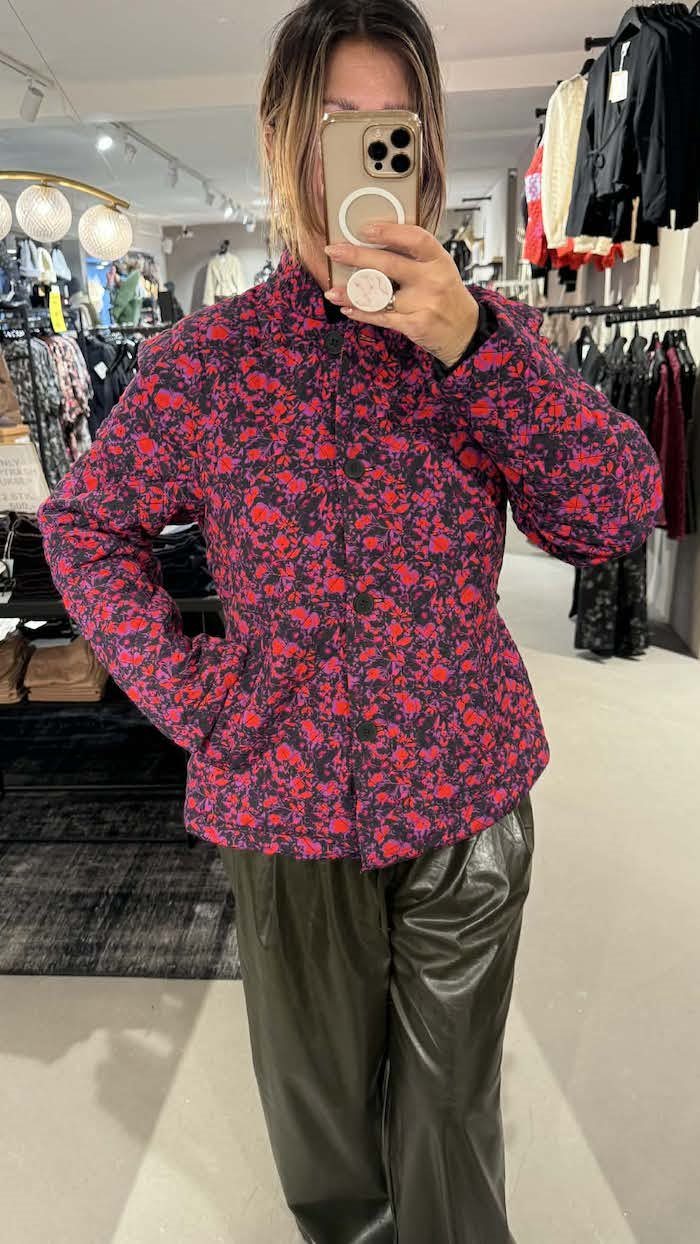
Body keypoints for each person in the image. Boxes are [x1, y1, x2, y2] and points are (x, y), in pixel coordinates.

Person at [36, 2, 664, 1241]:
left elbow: (615, 512)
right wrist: (195, 694)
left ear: (424, 143)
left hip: (464, 788)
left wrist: (475, 348)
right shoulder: (207, 363)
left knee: (450, 1133)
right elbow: (84, 527)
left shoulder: (487, 336)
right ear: (287, 141)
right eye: (337, 123)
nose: (367, 147)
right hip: (283, 793)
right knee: (326, 1148)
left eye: (392, 121)